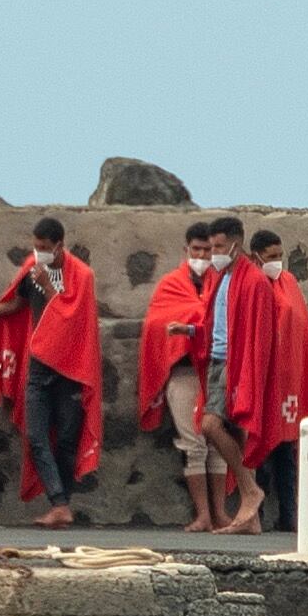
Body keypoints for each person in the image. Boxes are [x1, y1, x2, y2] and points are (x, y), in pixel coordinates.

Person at [0, 217, 101, 529]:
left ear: (59, 246)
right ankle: (60, 503)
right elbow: (16, 304)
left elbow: (70, 316)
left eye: (44, 248)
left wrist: (51, 287)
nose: (38, 253)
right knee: (36, 434)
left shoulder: (81, 275)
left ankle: (61, 505)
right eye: (35, 247)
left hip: (71, 367)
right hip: (39, 364)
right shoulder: (31, 268)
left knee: (67, 440)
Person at [228, 229, 308, 533]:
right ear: (256, 256)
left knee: (285, 449)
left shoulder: (289, 283)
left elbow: (301, 332)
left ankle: (288, 515)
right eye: (271, 257)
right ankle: (254, 514)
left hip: (288, 380)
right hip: (261, 379)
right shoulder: (252, 286)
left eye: (280, 256)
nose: (277, 262)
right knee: (255, 444)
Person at [139, 220, 230, 532]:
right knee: (193, 445)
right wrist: (196, 317)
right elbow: (156, 324)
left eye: (208, 250)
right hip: (184, 372)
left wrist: (195, 319)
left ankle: (219, 514)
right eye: (197, 250)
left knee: (217, 442)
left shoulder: (224, 283)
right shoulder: (170, 284)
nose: (202, 256)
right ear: (186, 250)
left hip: (216, 373)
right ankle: (202, 515)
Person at [197, 214, 265, 530]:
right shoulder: (224, 278)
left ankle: (250, 491)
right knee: (234, 433)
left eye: (219, 246)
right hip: (218, 359)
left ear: (236, 245)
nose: (214, 254)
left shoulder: (253, 280)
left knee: (210, 425)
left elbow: (260, 332)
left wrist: (248, 373)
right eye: (211, 247)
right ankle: (251, 519)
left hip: (233, 364)